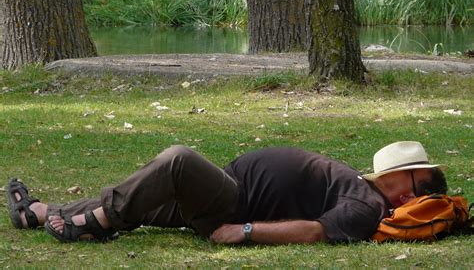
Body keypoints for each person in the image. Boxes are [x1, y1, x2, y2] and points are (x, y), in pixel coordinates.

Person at [6, 141, 447, 244]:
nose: (396, 173)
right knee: (151, 195)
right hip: (226, 189)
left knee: (177, 160)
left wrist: (247, 231)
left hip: (231, 203)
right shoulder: (361, 186)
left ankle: (104, 222)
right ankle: (42, 213)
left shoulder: (367, 206)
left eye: (408, 173)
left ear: (411, 191)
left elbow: (315, 231)